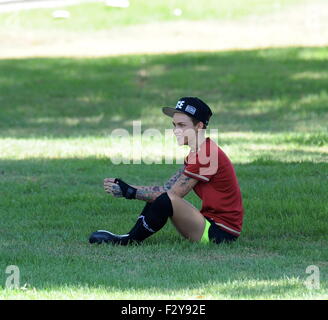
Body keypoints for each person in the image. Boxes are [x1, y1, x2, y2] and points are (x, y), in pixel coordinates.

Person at [89, 97, 244, 245]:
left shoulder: (206, 154)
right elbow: (167, 189)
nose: (176, 130)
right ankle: (129, 237)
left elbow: (171, 195)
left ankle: (129, 240)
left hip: (219, 234)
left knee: (165, 199)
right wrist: (128, 188)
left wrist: (130, 191)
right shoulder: (198, 152)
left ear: (199, 126)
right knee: (163, 197)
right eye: (174, 125)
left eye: (182, 125)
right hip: (209, 224)